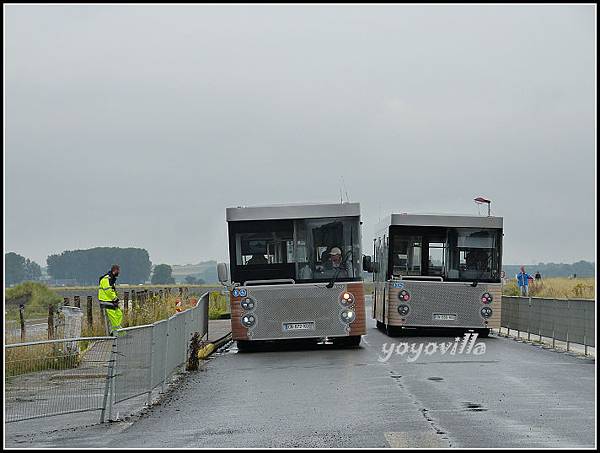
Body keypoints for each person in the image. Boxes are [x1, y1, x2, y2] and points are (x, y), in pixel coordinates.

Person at [98, 264, 122, 334]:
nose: (119, 273)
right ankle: (117, 333)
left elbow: (112, 291)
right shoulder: (107, 279)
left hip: (110, 301)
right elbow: (108, 291)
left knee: (119, 314)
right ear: (115, 270)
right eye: (118, 271)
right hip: (106, 301)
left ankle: (114, 330)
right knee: (113, 317)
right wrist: (115, 299)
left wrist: (115, 299)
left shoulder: (111, 279)